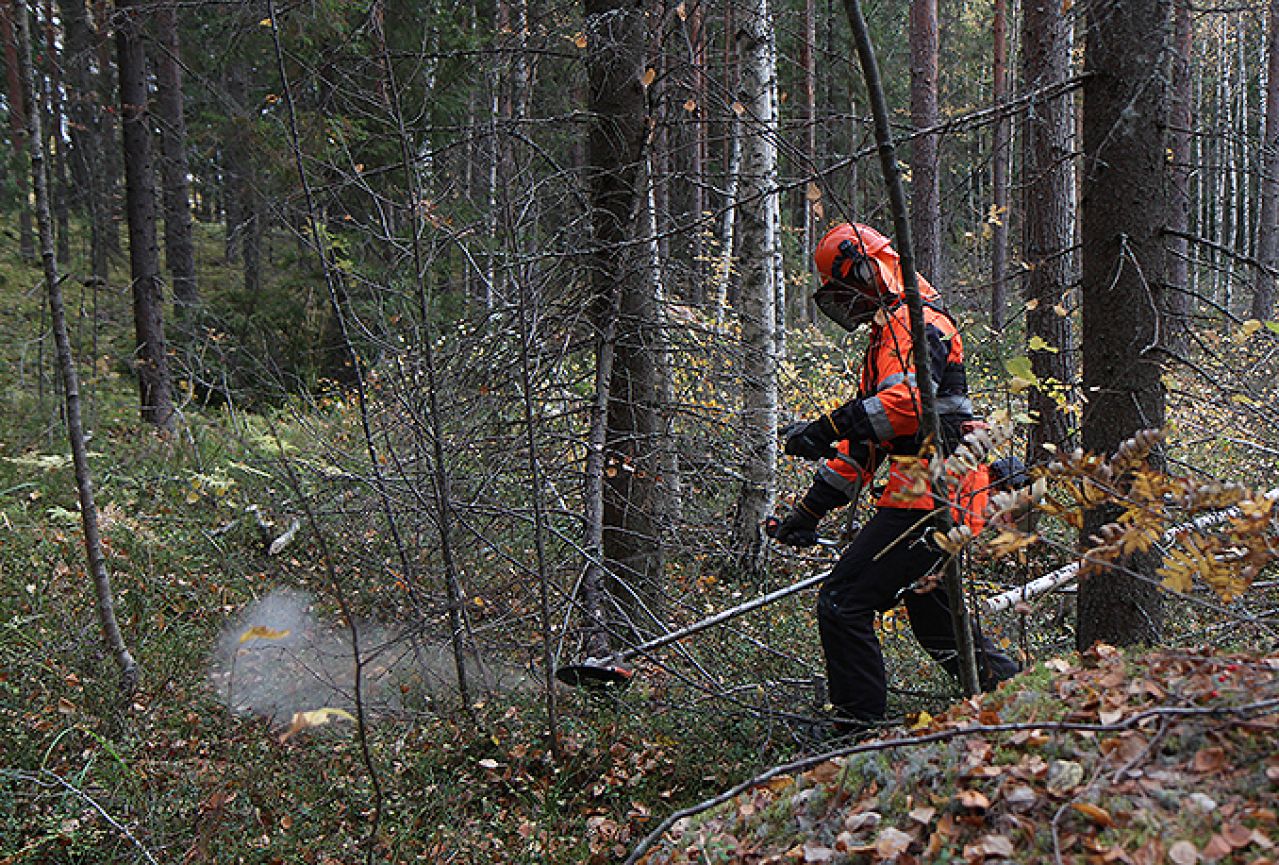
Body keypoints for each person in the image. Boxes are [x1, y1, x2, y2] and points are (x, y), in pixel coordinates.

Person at [767, 222, 1019, 731]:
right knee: (932, 613)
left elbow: (905, 406)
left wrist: (826, 425)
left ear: (868, 269)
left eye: (846, 287)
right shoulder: (890, 332)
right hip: (928, 487)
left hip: (933, 491)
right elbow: (863, 449)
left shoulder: (916, 322)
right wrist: (806, 513)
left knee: (843, 600)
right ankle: (1016, 697)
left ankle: (857, 726)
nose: (847, 302)